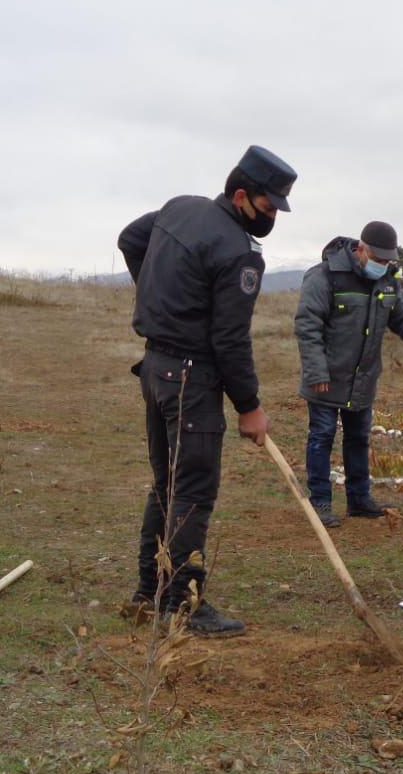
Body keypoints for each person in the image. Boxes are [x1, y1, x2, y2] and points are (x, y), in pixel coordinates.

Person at [117, 144, 296, 637]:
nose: (270, 220)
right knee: (192, 492)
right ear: (241, 195)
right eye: (266, 209)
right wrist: (250, 406)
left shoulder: (178, 208)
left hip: (154, 369)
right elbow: (230, 340)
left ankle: (148, 589)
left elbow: (130, 238)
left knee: (167, 484)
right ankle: (182, 603)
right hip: (190, 380)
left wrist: (161, 296)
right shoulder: (239, 253)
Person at [295, 221, 403, 527]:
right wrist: (316, 370)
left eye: (387, 261)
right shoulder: (324, 276)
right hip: (326, 377)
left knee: (358, 438)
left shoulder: (387, 283)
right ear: (361, 249)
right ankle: (320, 502)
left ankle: (359, 499)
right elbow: (308, 326)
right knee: (322, 436)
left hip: (362, 379)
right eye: (378, 260)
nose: (382, 266)